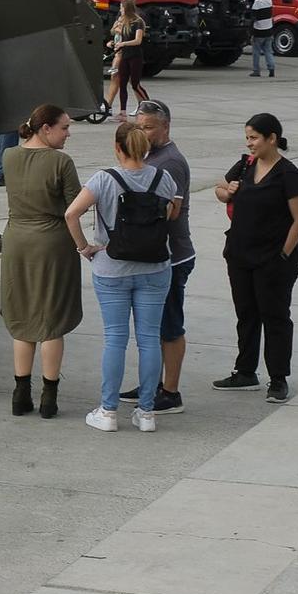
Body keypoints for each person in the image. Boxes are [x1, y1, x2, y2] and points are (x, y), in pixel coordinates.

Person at [66, 122, 181, 433]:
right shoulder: (163, 177)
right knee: (149, 339)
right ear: (144, 147)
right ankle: (146, 413)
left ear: (118, 148)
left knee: (115, 339)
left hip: (112, 267)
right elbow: (173, 211)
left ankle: (108, 411)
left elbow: (71, 214)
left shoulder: (104, 179)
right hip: (155, 268)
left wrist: (85, 247)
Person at [212, 111, 298, 403]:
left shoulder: (289, 174)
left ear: (272, 139)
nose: (250, 143)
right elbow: (220, 189)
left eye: (254, 138)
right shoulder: (245, 165)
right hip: (240, 254)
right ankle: (245, 371)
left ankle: (278, 378)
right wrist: (226, 192)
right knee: (246, 314)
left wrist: (283, 254)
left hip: (273, 259)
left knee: (275, 316)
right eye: (247, 138)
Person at [0, 105, 82, 418]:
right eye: (64, 127)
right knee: (51, 320)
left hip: (16, 240)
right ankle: (49, 397)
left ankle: (21, 394)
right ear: (46, 128)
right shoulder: (61, 162)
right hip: (52, 243)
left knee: (22, 317)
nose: (67, 133)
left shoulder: (9, 157)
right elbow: (75, 206)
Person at [131, 100, 193, 412]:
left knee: (170, 326)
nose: (143, 132)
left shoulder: (170, 162)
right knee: (151, 326)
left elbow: (172, 210)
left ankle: (171, 392)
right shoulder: (150, 155)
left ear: (165, 127)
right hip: (155, 255)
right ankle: (151, 383)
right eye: (139, 127)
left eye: (149, 127)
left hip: (173, 256)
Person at [107, 0, 148, 119]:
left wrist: (123, 43)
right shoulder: (122, 21)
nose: (120, 10)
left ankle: (148, 104)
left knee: (135, 84)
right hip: (124, 55)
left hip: (135, 55)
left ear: (127, 9)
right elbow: (117, 34)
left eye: (122, 8)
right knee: (122, 82)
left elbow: (137, 40)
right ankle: (122, 112)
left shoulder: (138, 22)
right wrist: (114, 42)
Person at [249, 0, 277, 77]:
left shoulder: (257, 3)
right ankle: (271, 68)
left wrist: (251, 33)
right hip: (268, 30)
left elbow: (253, 18)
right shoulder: (270, 2)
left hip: (258, 31)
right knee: (268, 51)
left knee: (256, 52)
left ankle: (256, 71)